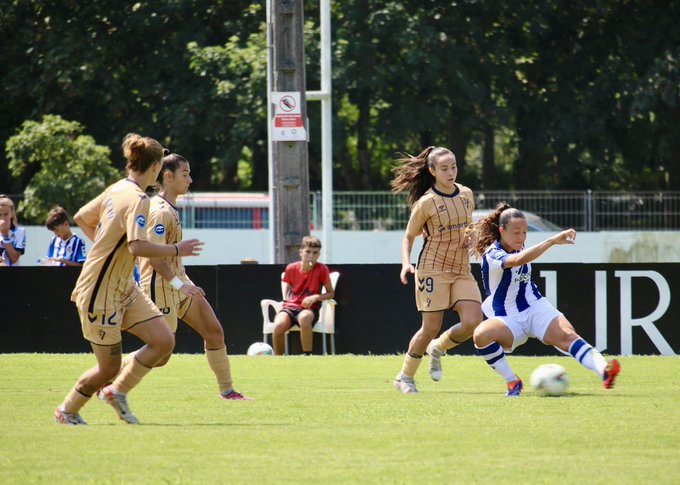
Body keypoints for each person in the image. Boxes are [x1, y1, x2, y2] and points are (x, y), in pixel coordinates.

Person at [54, 133, 203, 425]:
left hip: (126, 286)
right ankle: (67, 410)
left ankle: (117, 392)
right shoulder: (139, 199)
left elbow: (83, 217)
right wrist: (176, 249)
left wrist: (106, 246)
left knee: (163, 341)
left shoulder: (116, 188)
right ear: (157, 167)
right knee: (108, 367)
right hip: (100, 290)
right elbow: (137, 247)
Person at [469, 203, 620, 396]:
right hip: (508, 318)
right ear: (501, 231)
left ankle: (604, 371)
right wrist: (551, 241)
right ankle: (512, 381)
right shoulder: (493, 254)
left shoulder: (518, 245)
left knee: (567, 335)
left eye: (524, 232)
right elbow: (517, 261)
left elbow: (521, 256)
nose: (521, 237)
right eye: (516, 232)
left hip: (535, 307)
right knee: (481, 335)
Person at [136, 150, 250, 400]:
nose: (190, 180)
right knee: (161, 355)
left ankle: (227, 391)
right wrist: (179, 284)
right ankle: (108, 377)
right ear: (167, 176)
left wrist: (182, 283)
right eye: (185, 174)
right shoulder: (160, 211)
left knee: (214, 331)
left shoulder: (170, 208)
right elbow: (153, 258)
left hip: (179, 283)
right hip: (161, 286)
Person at [391, 146, 484, 394]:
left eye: (453, 166)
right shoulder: (426, 203)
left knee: (474, 321)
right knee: (430, 327)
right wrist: (405, 263)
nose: (450, 172)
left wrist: (473, 238)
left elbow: (469, 226)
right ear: (432, 171)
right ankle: (405, 377)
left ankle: (438, 348)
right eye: (444, 168)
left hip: (462, 268)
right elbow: (408, 237)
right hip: (433, 269)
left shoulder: (466, 194)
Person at [272, 236, 334, 355]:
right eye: (308, 252)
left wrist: (316, 297)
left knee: (304, 318)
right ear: (301, 252)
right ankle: (278, 359)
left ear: (319, 254)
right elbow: (287, 284)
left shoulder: (322, 269)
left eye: (315, 253)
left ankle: (307, 355)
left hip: (310, 309)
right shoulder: (291, 268)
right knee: (278, 325)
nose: (311, 255)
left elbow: (331, 293)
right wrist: (286, 298)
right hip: (290, 308)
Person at [0, 195, 26, 266]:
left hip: (12, 275)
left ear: (11, 214)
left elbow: (14, 259)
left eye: (6, 214)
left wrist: (5, 236)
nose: (2, 218)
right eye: (0, 215)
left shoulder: (19, 231)